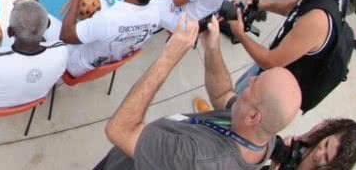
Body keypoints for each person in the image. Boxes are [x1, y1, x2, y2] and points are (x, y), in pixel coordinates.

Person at [97, 14, 301, 170]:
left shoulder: (200, 157)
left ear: (253, 116)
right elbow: (223, 94)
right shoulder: (261, 135)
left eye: (254, 86)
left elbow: (120, 130)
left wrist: (168, 57)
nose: (250, 79)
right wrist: (212, 48)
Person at [229, 0, 351, 113]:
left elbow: (270, 62)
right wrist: (261, 4)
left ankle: (224, 113)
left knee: (240, 110)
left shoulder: (318, 19)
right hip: (281, 55)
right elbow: (297, 4)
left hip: (276, 80)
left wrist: (240, 34)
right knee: (241, 87)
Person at [61, 0, 164, 77]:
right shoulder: (155, 14)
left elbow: (65, 36)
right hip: (109, 58)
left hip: (77, 63)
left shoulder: (108, 20)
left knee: (43, 20)